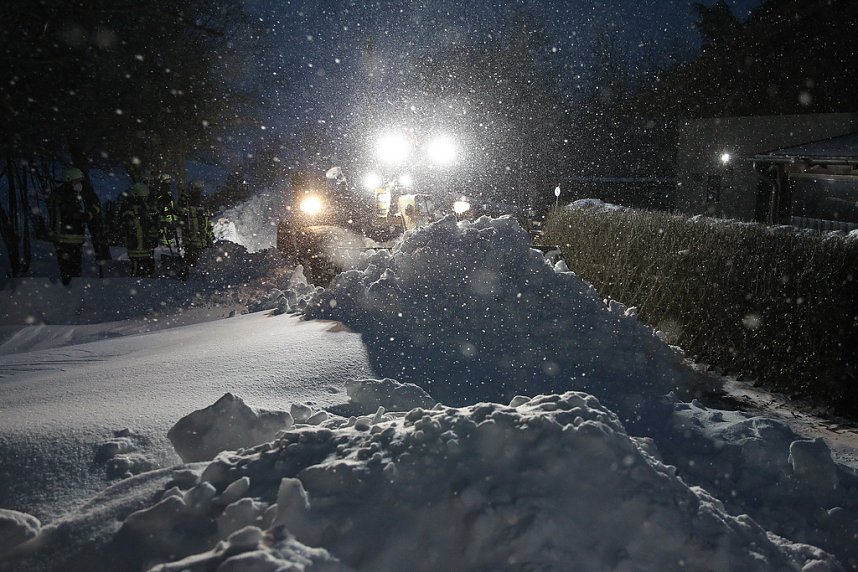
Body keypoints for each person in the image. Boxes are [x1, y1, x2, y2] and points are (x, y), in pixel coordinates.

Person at [47, 167, 100, 286]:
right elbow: (75, 216)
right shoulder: (67, 196)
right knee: (72, 273)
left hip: (65, 240)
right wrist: (93, 212)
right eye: (77, 181)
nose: (80, 184)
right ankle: (71, 295)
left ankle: (70, 293)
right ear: (70, 181)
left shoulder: (60, 194)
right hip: (68, 240)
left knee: (68, 271)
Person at [120, 182, 159, 277]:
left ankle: (147, 282)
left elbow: (149, 225)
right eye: (143, 197)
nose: (144, 199)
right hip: (136, 245)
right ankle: (136, 283)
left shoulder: (144, 207)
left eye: (145, 197)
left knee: (149, 267)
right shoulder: (129, 207)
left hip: (145, 245)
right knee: (137, 269)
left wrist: (154, 236)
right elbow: (128, 224)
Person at [177, 180, 214, 274]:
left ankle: (189, 271)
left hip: (191, 237)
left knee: (190, 256)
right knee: (199, 256)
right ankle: (197, 272)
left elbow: (179, 212)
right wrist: (209, 235)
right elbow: (207, 221)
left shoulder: (187, 202)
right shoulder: (204, 201)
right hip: (201, 237)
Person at [153, 173, 178, 248]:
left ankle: (167, 241)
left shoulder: (166, 188)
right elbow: (162, 199)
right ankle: (167, 242)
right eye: (167, 180)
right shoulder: (163, 188)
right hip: (166, 211)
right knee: (167, 226)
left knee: (167, 226)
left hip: (167, 211)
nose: (169, 181)